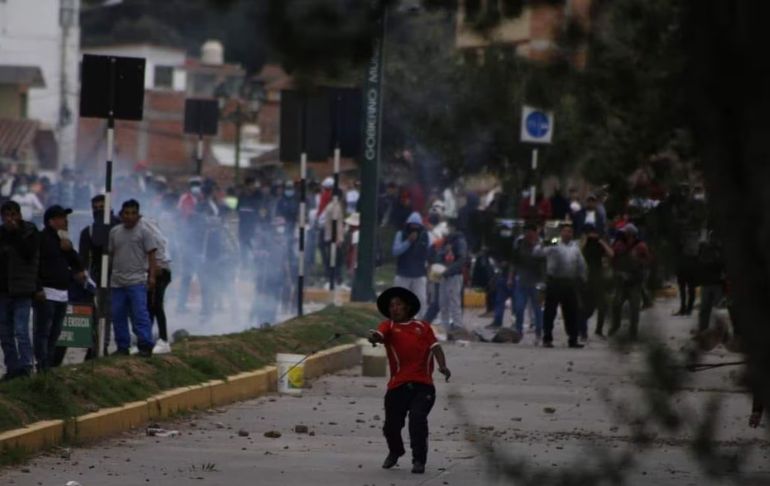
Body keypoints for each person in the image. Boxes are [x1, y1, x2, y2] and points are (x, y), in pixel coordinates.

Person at [367, 287, 451, 475]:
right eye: (391, 306)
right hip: (398, 385)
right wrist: (374, 337)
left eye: (398, 305)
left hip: (423, 386)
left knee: (417, 419)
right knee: (391, 426)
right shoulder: (388, 326)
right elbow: (379, 336)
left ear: (407, 307)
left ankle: (419, 460)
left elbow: (436, 348)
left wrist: (443, 366)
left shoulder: (423, 327)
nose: (394, 309)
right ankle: (395, 451)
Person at [34, 205, 85, 371]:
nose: (66, 222)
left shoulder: (63, 241)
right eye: (62, 218)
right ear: (51, 221)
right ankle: (42, 365)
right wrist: (37, 288)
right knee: (43, 332)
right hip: (46, 294)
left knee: (55, 333)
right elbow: (33, 266)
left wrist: (69, 248)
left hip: (62, 295)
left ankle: (48, 364)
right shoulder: (41, 239)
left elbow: (77, 265)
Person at [109, 200, 157, 357]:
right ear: (121, 215)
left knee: (140, 314)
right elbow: (111, 254)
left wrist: (152, 277)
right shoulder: (114, 232)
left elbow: (152, 255)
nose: (129, 217)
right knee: (117, 315)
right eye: (126, 213)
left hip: (137, 281)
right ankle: (123, 346)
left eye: (133, 213)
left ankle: (145, 345)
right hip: (117, 282)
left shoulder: (145, 232)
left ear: (138, 215)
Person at [0, 201, 39, 380]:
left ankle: (26, 367)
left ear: (19, 215)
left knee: (21, 331)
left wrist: (16, 233)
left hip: (22, 290)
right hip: (3, 291)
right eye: (6, 215)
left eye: (13, 214)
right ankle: (12, 368)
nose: (10, 219)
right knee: (5, 333)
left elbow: (29, 254)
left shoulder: (29, 231)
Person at [79, 194, 120, 358]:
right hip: (99, 278)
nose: (98, 211)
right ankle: (99, 346)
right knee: (101, 312)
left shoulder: (121, 227)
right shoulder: (88, 232)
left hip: (121, 276)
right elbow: (83, 260)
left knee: (120, 313)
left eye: (102, 207)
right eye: (95, 208)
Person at [536, 221, 587, 348]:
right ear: (561, 233)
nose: (567, 233)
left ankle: (573, 339)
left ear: (572, 233)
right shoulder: (554, 243)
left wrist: (584, 278)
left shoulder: (575, 248)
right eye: (565, 231)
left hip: (570, 283)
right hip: (554, 282)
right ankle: (547, 338)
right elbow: (538, 252)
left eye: (570, 231)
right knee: (550, 312)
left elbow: (581, 265)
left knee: (571, 312)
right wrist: (544, 243)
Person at [609, 224, 652, 339]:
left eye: (626, 232)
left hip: (635, 282)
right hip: (621, 282)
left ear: (631, 234)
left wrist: (638, 260)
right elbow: (613, 258)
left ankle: (633, 333)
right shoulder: (619, 244)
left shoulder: (641, 246)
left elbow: (648, 261)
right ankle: (615, 326)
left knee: (634, 309)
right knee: (616, 305)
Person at [392, 212, 431, 318]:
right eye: (412, 225)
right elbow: (395, 251)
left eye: (416, 226)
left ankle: (420, 323)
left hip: (419, 274)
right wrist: (408, 242)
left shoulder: (425, 236)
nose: (414, 229)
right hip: (403, 273)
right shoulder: (400, 234)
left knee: (421, 300)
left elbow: (430, 252)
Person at [142, 217, 172, 355]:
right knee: (151, 307)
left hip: (159, 272)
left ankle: (163, 340)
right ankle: (147, 340)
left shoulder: (148, 232)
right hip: (160, 271)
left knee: (155, 305)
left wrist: (152, 271)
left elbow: (156, 257)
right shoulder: (154, 231)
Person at [512, 223, 546, 343]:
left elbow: (545, 264)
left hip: (537, 282)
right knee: (519, 307)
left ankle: (538, 332)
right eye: (526, 232)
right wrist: (511, 277)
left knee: (538, 310)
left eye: (531, 232)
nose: (529, 234)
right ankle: (518, 331)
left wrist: (544, 281)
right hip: (522, 280)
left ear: (536, 233)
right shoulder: (520, 244)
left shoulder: (541, 245)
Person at [579, 223, 614, 339]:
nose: (593, 235)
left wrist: (601, 241)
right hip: (587, 277)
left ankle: (598, 330)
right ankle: (582, 330)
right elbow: (579, 253)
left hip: (598, 277)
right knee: (588, 308)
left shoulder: (599, 244)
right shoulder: (584, 243)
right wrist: (585, 239)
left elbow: (611, 254)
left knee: (603, 305)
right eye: (591, 233)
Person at [437, 219, 468, 337]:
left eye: (448, 227)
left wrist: (448, 271)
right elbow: (439, 255)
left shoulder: (460, 241)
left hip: (454, 276)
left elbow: (461, 259)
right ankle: (446, 329)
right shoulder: (447, 241)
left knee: (454, 302)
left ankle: (458, 327)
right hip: (444, 275)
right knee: (443, 303)